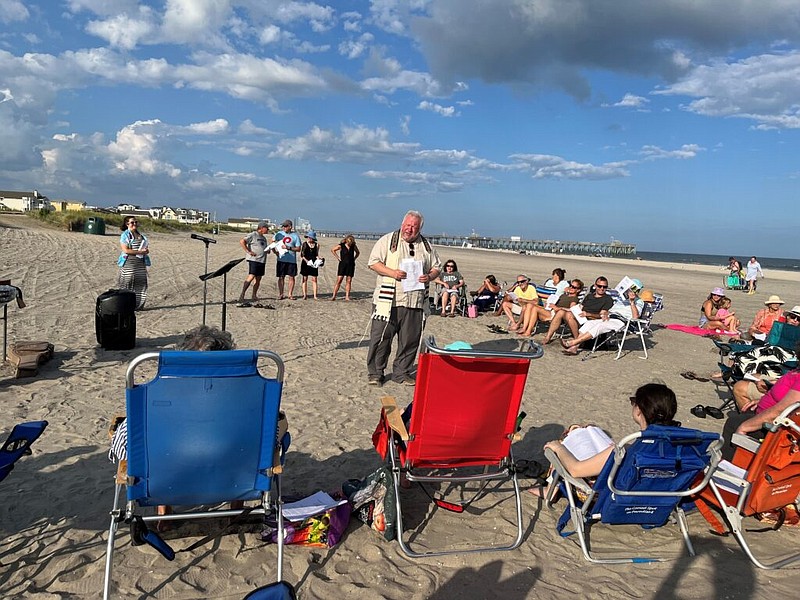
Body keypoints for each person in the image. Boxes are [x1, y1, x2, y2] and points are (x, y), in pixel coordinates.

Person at [108, 325, 238, 525]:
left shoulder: (153, 409)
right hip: (232, 478)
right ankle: (236, 512)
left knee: (147, 449)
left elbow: (123, 448)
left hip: (169, 478)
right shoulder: (245, 406)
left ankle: (164, 512)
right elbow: (269, 440)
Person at [366, 210, 441, 387]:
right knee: (381, 338)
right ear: (402, 224)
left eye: (414, 226)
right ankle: (376, 373)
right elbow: (373, 262)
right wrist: (393, 273)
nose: (409, 229)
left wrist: (429, 277)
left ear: (419, 228)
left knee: (410, 341)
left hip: (415, 302)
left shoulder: (427, 246)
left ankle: (402, 372)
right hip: (388, 301)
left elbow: (437, 267)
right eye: (407, 225)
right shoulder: (387, 240)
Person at [543, 383, 680, 479]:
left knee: (564, 445)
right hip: (661, 499)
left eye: (634, 401)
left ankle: (550, 488)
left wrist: (559, 447)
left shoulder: (627, 450)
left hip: (620, 499)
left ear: (638, 410)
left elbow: (575, 470)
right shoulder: (681, 447)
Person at [721, 343, 800, 461]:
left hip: (776, 428)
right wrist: (763, 400)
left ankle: (727, 468)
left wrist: (745, 427)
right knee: (743, 413)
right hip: (768, 415)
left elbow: (783, 410)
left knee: (734, 423)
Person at [560, 277, 640, 355]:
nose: (602, 288)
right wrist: (606, 313)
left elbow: (635, 317)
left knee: (600, 326)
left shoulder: (639, 302)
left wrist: (632, 302)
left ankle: (573, 342)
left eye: (632, 290)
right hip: (610, 317)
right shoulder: (621, 300)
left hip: (622, 321)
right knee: (589, 324)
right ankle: (574, 348)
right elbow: (609, 310)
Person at [117, 215, 150, 310]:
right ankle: (125, 305)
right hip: (129, 262)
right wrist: (140, 252)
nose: (134, 224)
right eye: (132, 222)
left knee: (141, 284)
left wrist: (146, 251)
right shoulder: (125, 235)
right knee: (127, 283)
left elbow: (146, 249)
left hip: (140, 263)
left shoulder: (141, 235)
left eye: (136, 222)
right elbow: (126, 250)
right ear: (127, 224)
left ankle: (138, 306)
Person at [238, 221, 270, 303]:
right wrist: (248, 251)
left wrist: (267, 250)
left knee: (258, 279)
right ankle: (242, 295)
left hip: (262, 260)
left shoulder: (263, 238)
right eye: (267, 228)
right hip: (254, 260)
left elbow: (263, 248)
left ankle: (254, 295)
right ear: (262, 228)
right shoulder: (253, 234)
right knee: (251, 276)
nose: (268, 230)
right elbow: (242, 241)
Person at [272, 219, 302, 300]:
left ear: (290, 227)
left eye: (285, 226)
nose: (284, 228)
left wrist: (288, 248)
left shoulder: (295, 236)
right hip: (281, 259)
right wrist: (275, 252)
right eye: (283, 226)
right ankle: (281, 294)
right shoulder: (279, 234)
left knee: (291, 277)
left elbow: (298, 249)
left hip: (291, 260)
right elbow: (272, 243)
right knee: (281, 277)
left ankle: (290, 294)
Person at [331, 235, 360, 301]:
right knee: (339, 280)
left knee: (349, 280)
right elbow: (333, 250)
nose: (350, 244)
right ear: (346, 241)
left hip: (351, 265)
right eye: (349, 242)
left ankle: (347, 296)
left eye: (351, 243)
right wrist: (338, 257)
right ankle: (334, 296)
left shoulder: (353, 246)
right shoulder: (341, 245)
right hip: (342, 264)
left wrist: (354, 258)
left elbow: (358, 252)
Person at [300, 230, 321, 300]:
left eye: (311, 237)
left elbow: (316, 254)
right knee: (304, 278)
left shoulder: (317, 245)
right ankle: (305, 295)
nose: (309, 239)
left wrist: (319, 260)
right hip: (305, 263)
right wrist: (307, 261)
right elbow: (302, 255)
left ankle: (315, 295)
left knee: (314, 279)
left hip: (314, 263)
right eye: (308, 237)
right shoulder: (304, 244)